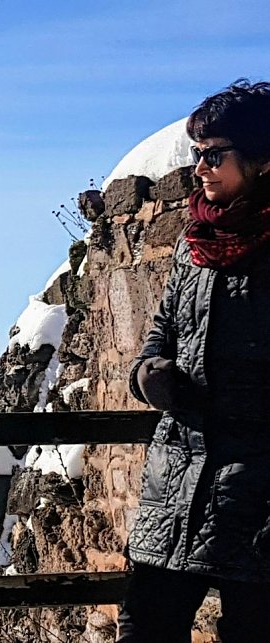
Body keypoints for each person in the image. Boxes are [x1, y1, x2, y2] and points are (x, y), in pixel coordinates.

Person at [119, 79, 270, 642]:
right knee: (145, 628)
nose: (200, 168)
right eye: (196, 154)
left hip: (258, 490)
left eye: (214, 154)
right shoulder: (194, 240)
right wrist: (147, 373)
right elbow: (160, 331)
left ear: (262, 160)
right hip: (177, 479)